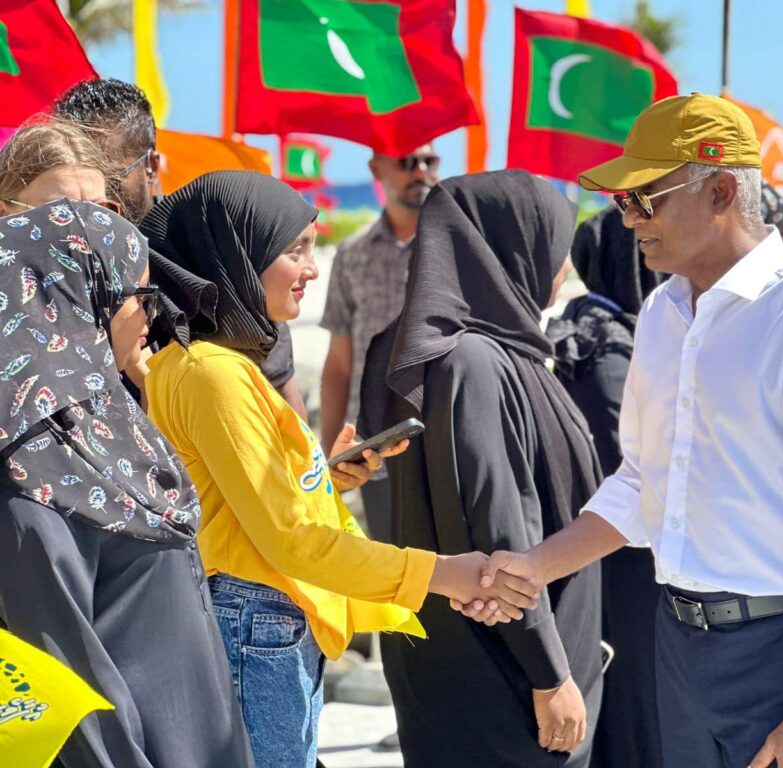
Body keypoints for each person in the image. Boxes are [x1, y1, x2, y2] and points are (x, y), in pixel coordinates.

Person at [460, 94, 783, 768]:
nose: (628, 219)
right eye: (623, 202)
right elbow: (643, 484)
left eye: (645, 199)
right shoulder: (664, 313)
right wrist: (532, 570)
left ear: (720, 190)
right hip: (680, 643)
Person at [139, 171, 537, 768]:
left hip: (256, 614)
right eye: (294, 250)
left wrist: (324, 477)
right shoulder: (215, 374)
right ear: (238, 255)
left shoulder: (202, 363)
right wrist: (441, 573)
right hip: (256, 618)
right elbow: (290, 540)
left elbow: (238, 502)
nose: (313, 269)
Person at [0, 122, 254, 767]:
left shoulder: (114, 418)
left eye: (103, 212)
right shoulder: (28, 467)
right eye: (61, 217)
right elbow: (63, 688)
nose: (87, 237)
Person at [365, 171, 603, 767]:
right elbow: (501, 527)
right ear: (514, 250)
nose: (564, 268)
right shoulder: (473, 361)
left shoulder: (435, 348)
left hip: (465, 661)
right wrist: (549, 674)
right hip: (506, 683)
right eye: (554, 247)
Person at [53, 77, 307, 418]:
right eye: (73, 179)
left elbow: (286, 415)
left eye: (109, 177)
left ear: (151, 167)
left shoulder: (215, 260)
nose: (92, 196)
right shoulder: (46, 265)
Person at [546, 205, 663, 768]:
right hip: (626, 553)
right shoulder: (606, 349)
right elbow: (631, 464)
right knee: (637, 700)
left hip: (603, 546)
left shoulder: (586, 328)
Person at [319, 143, 439, 540]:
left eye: (429, 161)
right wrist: (330, 457)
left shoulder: (456, 250)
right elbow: (340, 363)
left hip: (446, 442)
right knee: (390, 565)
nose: (420, 171)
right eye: (407, 162)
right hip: (375, 451)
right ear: (376, 169)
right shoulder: (352, 254)